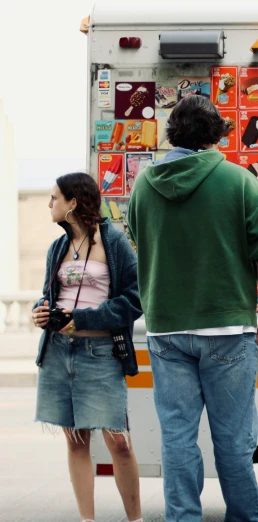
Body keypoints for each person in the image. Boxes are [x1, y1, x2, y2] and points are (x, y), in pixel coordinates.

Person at [126, 95, 258, 522]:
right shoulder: (239, 181)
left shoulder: (144, 184)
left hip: (165, 328)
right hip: (228, 328)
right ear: (218, 134)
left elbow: (138, 238)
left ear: (172, 133)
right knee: (233, 441)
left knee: (177, 439)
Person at [31, 172, 144, 522]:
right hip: (59, 352)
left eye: (54, 198)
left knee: (119, 444)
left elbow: (134, 301)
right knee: (75, 441)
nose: (50, 204)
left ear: (73, 203)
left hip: (102, 354)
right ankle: (87, 520)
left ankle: (135, 519)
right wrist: (42, 310)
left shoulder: (114, 242)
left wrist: (82, 318)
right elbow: (53, 295)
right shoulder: (58, 247)